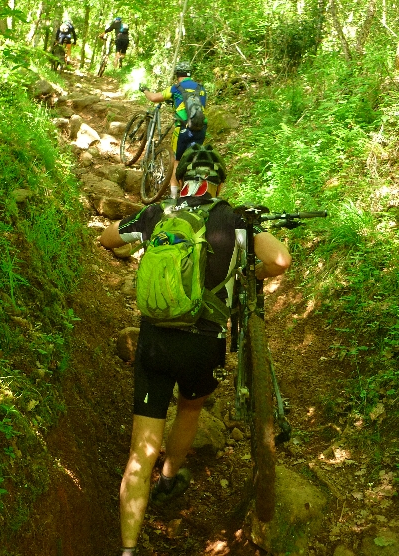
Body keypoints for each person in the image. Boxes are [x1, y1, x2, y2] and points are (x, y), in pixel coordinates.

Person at [99, 145, 292, 556]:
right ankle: (169, 476)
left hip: (154, 341)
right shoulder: (235, 219)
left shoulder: (156, 215)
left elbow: (106, 238)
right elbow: (280, 259)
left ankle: (128, 549)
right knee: (189, 408)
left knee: (139, 452)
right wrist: (249, 271)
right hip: (203, 343)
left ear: (177, 180)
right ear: (220, 184)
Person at [139, 61, 208, 199]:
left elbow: (154, 98)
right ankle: (193, 193)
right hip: (201, 128)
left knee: (176, 161)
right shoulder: (201, 88)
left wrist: (144, 90)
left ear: (177, 75)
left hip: (183, 128)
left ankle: (174, 196)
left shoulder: (176, 87)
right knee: (192, 159)